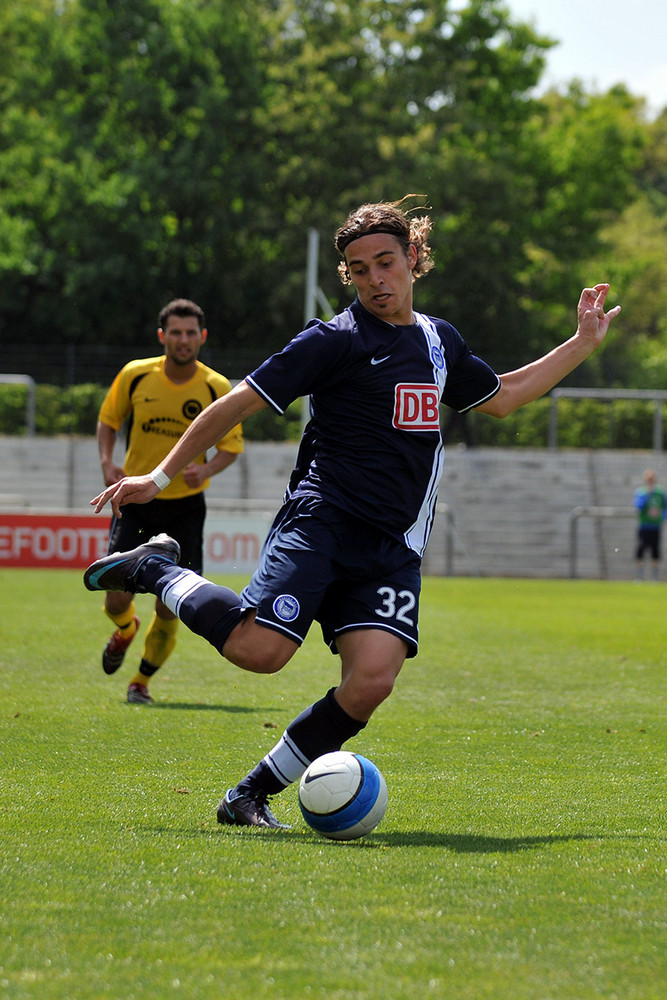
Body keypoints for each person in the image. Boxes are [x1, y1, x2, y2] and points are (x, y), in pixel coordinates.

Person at [84, 197, 621, 827]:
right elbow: (234, 405)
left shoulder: (438, 341)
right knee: (261, 653)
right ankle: (156, 571)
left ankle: (248, 795)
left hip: (392, 546)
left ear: (414, 259)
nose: (374, 279)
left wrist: (583, 342)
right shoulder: (332, 340)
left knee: (371, 680)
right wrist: (159, 474)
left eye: (385, 262)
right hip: (322, 521)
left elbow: (503, 398)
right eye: (358, 269)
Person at [95, 298, 244, 704]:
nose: (183, 339)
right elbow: (108, 422)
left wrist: (207, 470)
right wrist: (108, 463)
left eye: (190, 333)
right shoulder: (135, 376)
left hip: (185, 508)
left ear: (203, 337)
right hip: (137, 501)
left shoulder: (216, 386)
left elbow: (231, 446)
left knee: (170, 605)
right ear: (162, 336)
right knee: (115, 598)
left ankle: (140, 682)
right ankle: (126, 630)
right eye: (175, 332)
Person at [634, 468, 667, 581]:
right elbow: (638, 506)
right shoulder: (641, 492)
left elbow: (665, 507)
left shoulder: (660, 492)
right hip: (644, 525)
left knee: (655, 550)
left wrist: (661, 516)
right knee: (641, 549)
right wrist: (647, 495)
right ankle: (639, 575)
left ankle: (655, 576)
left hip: (656, 526)